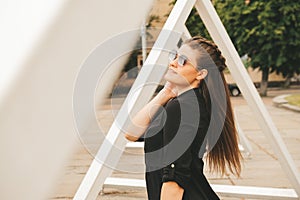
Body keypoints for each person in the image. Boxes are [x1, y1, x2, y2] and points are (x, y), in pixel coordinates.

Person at [125, 36, 242, 200]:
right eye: (174, 56)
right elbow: (131, 133)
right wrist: (165, 93)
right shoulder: (179, 104)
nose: (173, 62)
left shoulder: (183, 107)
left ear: (201, 74)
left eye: (183, 60)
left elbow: (175, 179)